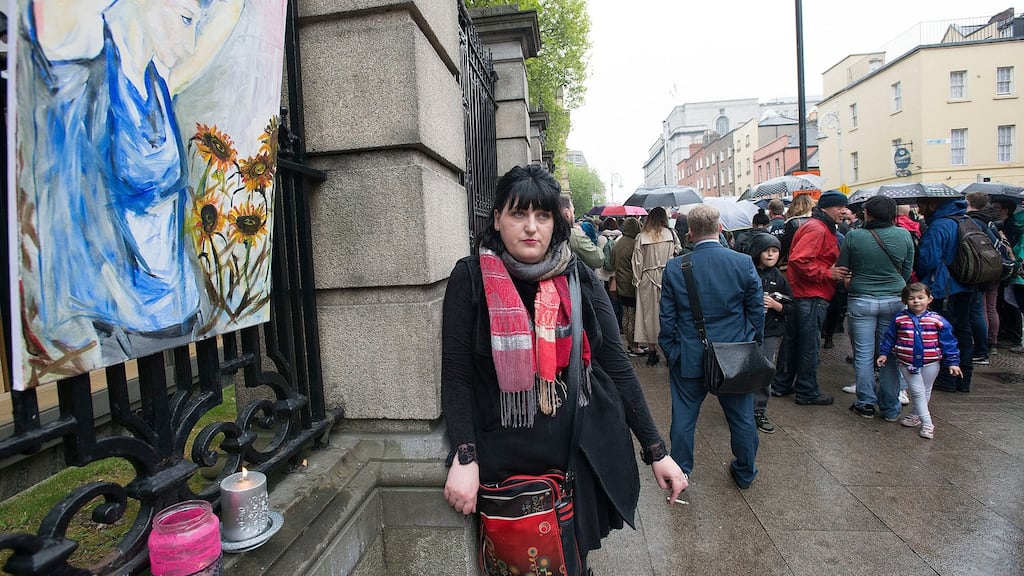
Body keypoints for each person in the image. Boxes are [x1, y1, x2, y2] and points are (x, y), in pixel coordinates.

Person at [441, 166, 687, 571]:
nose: (531, 228)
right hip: (506, 462)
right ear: (498, 218)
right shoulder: (470, 278)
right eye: (519, 214)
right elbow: (456, 375)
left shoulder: (578, 277)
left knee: (573, 561)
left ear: (556, 222)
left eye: (543, 216)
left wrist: (656, 449)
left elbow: (616, 365)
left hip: (575, 455)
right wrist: (465, 457)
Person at [19, 0, 244, 364]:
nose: (189, 44)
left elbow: (227, 14)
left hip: (179, 309)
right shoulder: (89, 85)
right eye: (186, 20)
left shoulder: (160, 85)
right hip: (121, 320)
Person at [659, 204, 764, 489]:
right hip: (734, 355)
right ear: (720, 228)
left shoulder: (675, 266)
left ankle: (680, 474)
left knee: (683, 419)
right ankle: (744, 471)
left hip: (689, 353)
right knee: (741, 417)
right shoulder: (742, 263)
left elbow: (667, 317)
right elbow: (756, 311)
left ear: (690, 233)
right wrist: (752, 344)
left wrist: (671, 350)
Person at [836, 196, 914, 421]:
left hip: (861, 299)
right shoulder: (903, 235)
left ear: (868, 213)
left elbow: (844, 267)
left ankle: (866, 402)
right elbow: (907, 270)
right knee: (889, 353)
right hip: (894, 299)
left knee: (863, 354)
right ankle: (890, 407)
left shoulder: (854, 236)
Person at [778, 190, 851, 405]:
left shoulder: (816, 226)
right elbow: (799, 261)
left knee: (794, 342)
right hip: (810, 295)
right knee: (808, 345)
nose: (844, 211)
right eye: (840, 207)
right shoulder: (818, 229)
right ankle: (807, 390)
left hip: (804, 294)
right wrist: (828, 273)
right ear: (827, 208)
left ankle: (782, 383)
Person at [877, 283, 962, 439]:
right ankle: (927, 423)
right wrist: (884, 353)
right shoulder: (900, 318)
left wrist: (953, 362)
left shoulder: (937, 320)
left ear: (929, 299)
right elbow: (890, 337)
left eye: (920, 298)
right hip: (906, 362)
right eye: (911, 298)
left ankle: (916, 415)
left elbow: (948, 342)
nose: (916, 301)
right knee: (917, 391)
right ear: (905, 300)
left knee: (926, 389)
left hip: (931, 362)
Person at [915, 197, 976, 392]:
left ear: (933, 205)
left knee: (943, 333)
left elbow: (928, 260)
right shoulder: (967, 221)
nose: (919, 208)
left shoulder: (938, 226)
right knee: (964, 331)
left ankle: (947, 380)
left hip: (944, 287)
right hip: (967, 284)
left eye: (922, 204)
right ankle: (964, 380)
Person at [746, 233, 791, 434]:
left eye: (775, 251)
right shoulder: (748, 272)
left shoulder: (778, 277)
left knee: (765, 369)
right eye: (767, 250)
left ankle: (759, 409)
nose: (771, 255)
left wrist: (777, 305)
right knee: (745, 369)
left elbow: (791, 305)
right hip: (747, 329)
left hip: (769, 330)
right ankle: (743, 405)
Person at [632, 207, 681, 365]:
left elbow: (637, 261)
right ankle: (669, 350)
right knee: (670, 314)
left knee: (649, 316)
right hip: (668, 277)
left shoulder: (641, 237)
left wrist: (637, 281)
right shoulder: (672, 234)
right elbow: (677, 253)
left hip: (647, 278)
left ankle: (652, 351)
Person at [614, 217, 645, 355]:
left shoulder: (618, 243)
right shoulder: (635, 244)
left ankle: (630, 343)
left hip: (620, 283)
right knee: (633, 316)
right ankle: (634, 346)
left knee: (626, 315)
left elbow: (610, 261)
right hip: (632, 284)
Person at [559, 196, 604, 269]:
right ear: (567, 213)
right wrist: (582, 234)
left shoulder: (549, 231)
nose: (574, 216)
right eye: (573, 212)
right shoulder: (573, 234)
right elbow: (598, 259)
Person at [779, 193, 814, 264]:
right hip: (814, 260)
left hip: (796, 260)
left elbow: (785, 245)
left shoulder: (793, 223)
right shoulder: (817, 221)